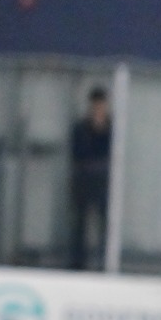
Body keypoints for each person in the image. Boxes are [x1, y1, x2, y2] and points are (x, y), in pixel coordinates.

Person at [68, 86, 113, 270]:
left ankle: (105, 262)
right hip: (84, 180)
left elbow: (111, 153)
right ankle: (78, 262)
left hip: (103, 180)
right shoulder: (81, 128)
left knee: (105, 223)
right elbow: (78, 153)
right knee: (80, 222)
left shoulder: (111, 128)